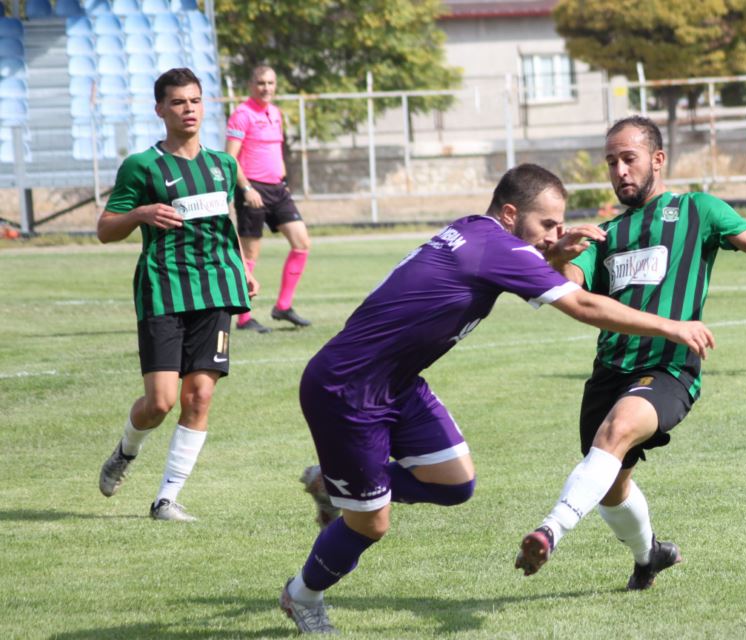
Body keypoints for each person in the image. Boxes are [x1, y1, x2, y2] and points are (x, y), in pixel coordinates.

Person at [277, 163, 717, 634]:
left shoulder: (475, 231)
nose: (556, 234)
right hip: (348, 389)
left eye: (561, 225)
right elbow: (584, 305)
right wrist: (672, 325)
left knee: (454, 483)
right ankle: (302, 595)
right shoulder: (497, 248)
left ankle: (333, 485)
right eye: (548, 224)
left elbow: (523, 269)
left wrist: (552, 252)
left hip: (397, 382)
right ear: (510, 214)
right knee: (371, 525)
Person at [515, 116, 746, 590]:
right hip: (610, 371)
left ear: (657, 160)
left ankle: (549, 529)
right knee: (612, 486)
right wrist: (557, 259)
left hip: (669, 367)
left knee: (618, 430)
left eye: (628, 158)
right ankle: (649, 556)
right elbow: (570, 290)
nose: (619, 170)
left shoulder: (697, 210)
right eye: (611, 162)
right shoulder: (602, 236)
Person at [96, 68, 259, 522]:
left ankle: (166, 498)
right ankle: (126, 450)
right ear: (160, 110)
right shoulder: (141, 166)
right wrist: (142, 213)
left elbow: (224, 220)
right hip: (164, 288)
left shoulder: (223, 165)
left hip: (216, 287)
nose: (188, 109)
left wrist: (241, 268)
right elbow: (105, 230)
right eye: (178, 102)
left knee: (200, 395)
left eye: (195, 100)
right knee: (161, 401)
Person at [226, 65, 311, 333]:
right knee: (250, 253)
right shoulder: (241, 114)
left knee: (302, 242)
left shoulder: (275, 113)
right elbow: (230, 158)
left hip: (278, 189)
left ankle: (283, 307)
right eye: (261, 82)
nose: (266, 88)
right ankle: (243, 318)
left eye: (271, 83)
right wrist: (247, 189)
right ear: (251, 84)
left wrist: (283, 181)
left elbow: (275, 151)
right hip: (253, 189)